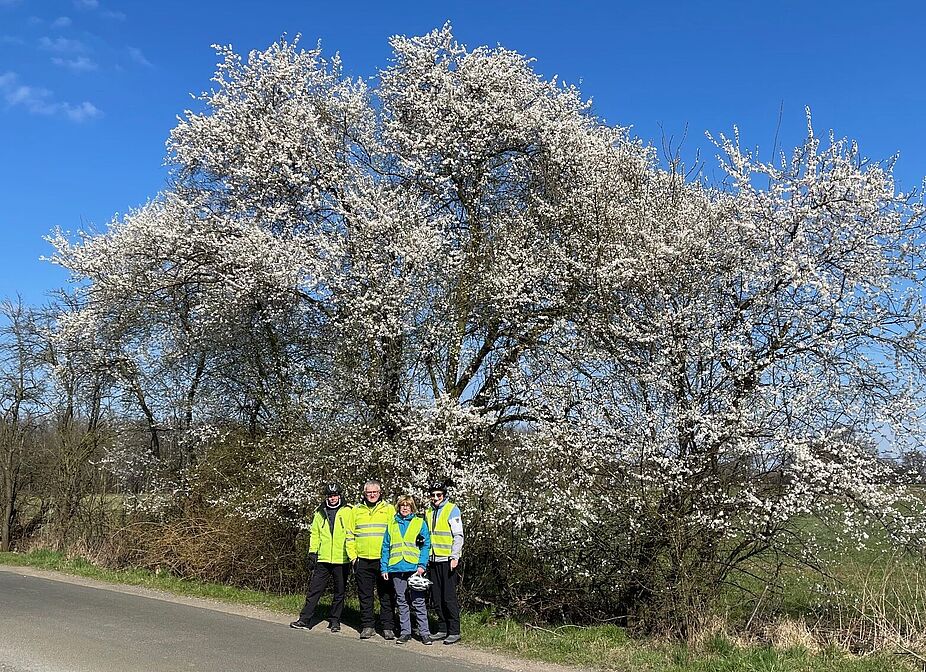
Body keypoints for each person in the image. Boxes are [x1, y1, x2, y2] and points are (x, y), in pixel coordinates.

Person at [290, 482, 352, 633]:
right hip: (323, 558)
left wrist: (352, 555)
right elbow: (315, 534)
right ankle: (305, 619)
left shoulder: (349, 511)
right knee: (314, 590)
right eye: (330, 496)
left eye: (335, 495)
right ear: (327, 497)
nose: (332, 498)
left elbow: (352, 532)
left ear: (340, 495)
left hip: (341, 558)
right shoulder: (319, 512)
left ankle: (335, 620)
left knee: (339, 591)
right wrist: (312, 553)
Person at [346, 478, 397, 639]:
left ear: (380, 493)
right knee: (365, 595)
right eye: (369, 492)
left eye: (375, 492)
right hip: (363, 560)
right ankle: (368, 625)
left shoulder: (389, 509)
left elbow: (395, 534)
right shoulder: (356, 510)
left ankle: (388, 626)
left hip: (383, 560)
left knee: (387, 595)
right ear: (364, 493)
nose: (372, 495)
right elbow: (350, 535)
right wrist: (353, 557)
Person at [380, 494, 432, 645]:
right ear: (398, 507)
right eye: (402, 505)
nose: (404, 508)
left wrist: (422, 565)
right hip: (396, 567)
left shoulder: (419, 523)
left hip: (414, 568)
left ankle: (424, 633)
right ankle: (405, 632)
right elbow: (385, 547)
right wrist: (384, 568)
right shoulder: (392, 524)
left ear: (412, 508)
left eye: (407, 506)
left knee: (418, 601)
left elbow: (425, 545)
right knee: (401, 601)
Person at [426, 481, 464, 644]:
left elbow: (458, 535)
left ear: (444, 495)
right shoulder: (428, 512)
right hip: (432, 560)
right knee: (436, 597)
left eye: (439, 495)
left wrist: (454, 557)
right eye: (433, 494)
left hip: (447, 560)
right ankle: (442, 628)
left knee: (448, 597)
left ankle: (454, 630)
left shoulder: (451, 509)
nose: (435, 497)